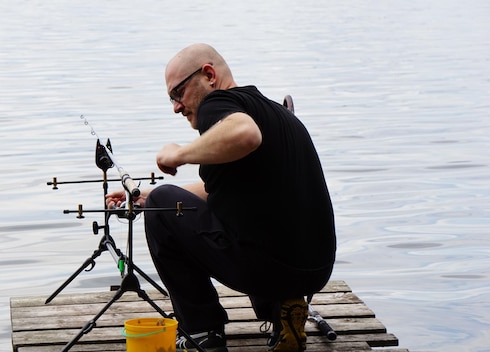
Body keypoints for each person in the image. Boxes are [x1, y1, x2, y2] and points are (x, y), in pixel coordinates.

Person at [106, 43, 336, 352]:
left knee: (163, 211)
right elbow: (217, 193)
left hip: (268, 267)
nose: (176, 107)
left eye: (178, 94)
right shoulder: (275, 112)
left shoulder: (217, 106)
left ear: (209, 75)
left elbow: (245, 134)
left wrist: (179, 154)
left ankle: (202, 333)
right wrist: (147, 196)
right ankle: (281, 313)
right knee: (163, 201)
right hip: (314, 270)